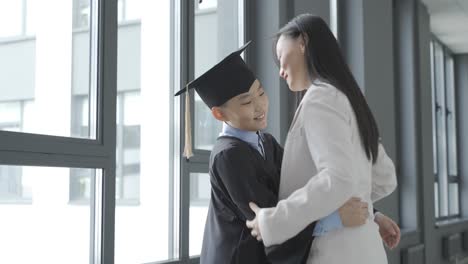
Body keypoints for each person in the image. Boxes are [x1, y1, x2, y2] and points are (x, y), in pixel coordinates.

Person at [175, 41, 399, 263]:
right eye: (246, 102)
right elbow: (266, 217)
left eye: (261, 93)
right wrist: (335, 218)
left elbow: (309, 182)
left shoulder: (267, 143)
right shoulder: (228, 156)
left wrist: (371, 213)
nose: (260, 106)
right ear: (219, 115)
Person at [246, 14, 398, 264]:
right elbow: (384, 178)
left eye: (281, 57)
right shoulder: (348, 98)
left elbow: (338, 178)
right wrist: (358, 208)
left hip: (336, 254)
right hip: (366, 250)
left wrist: (274, 221)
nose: (281, 72)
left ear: (303, 42)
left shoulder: (320, 98)